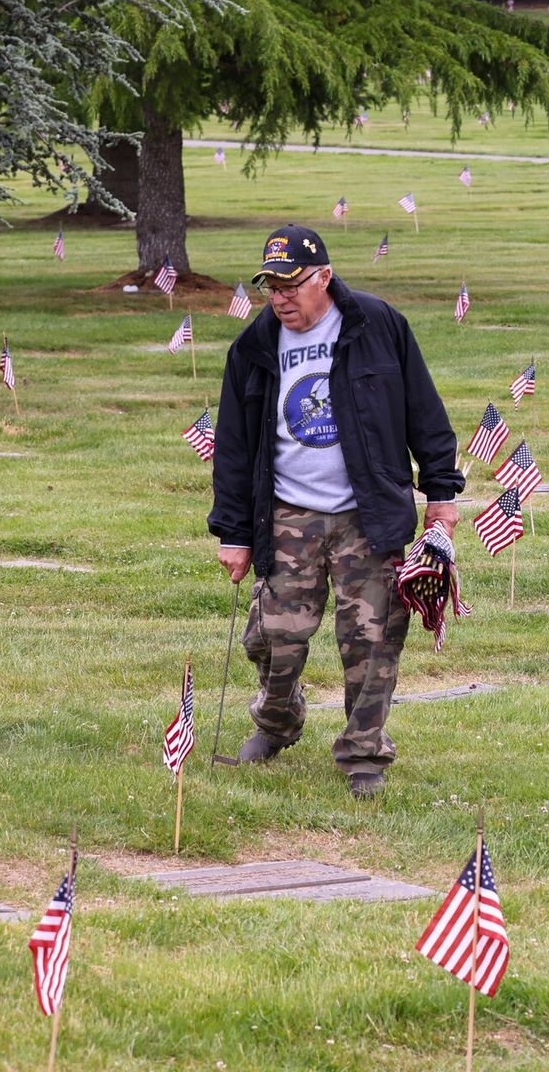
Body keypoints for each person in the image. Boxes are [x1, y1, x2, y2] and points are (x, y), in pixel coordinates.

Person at [209, 225, 463, 799]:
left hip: (368, 514)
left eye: (291, 283)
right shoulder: (253, 347)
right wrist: (234, 532)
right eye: (271, 285)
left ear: (323, 276)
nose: (280, 296)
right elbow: (233, 447)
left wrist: (441, 496)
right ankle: (277, 724)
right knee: (273, 637)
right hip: (288, 514)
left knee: (371, 640)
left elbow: (425, 413)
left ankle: (363, 753)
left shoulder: (378, 326)